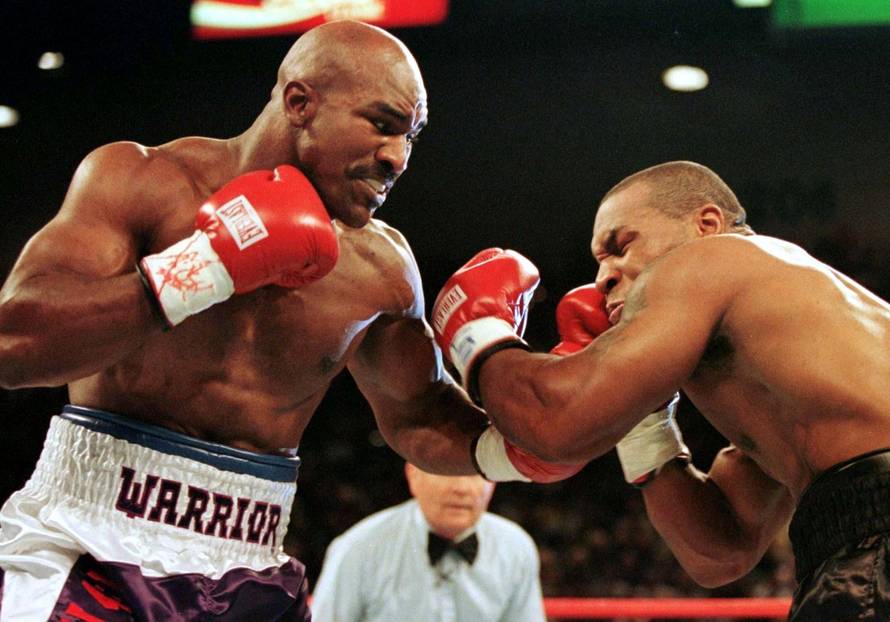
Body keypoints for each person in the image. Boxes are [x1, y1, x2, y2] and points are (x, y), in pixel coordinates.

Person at [0, 20, 580, 621]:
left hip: (251, 565)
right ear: (300, 103)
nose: (397, 158)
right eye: (382, 125)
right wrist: (202, 268)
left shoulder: (381, 267)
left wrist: (516, 449)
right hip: (91, 541)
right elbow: (14, 345)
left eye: (411, 137)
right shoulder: (143, 182)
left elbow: (418, 417)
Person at [430, 160, 890, 621]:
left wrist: (479, 334)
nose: (602, 277)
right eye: (598, 263)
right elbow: (719, 554)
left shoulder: (715, 257)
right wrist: (644, 423)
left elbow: (555, 423)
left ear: (706, 225)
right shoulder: (801, 385)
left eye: (620, 246)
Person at [310, 462, 546, 622]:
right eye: (447, 473)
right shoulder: (359, 547)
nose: (461, 488)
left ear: (493, 483)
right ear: (413, 474)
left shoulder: (516, 548)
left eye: (477, 474)